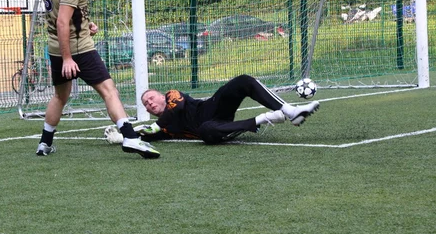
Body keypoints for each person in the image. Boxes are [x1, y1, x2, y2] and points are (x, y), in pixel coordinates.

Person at [36, 0, 160, 159]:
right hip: (78, 51)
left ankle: (44, 143)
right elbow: (62, 22)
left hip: (56, 48)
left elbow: (62, 15)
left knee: (59, 97)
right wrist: (68, 58)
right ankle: (130, 137)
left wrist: (86, 25)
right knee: (109, 91)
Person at [105, 74, 319, 145]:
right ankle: (266, 118)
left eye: (151, 98)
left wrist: (155, 125)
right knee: (206, 133)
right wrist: (121, 138)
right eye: (145, 104)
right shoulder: (164, 129)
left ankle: (291, 111)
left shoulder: (172, 96)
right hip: (213, 127)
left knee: (243, 81)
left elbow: (178, 108)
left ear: (162, 96)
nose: (149, 103)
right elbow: (143, 137)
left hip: (211, 107)